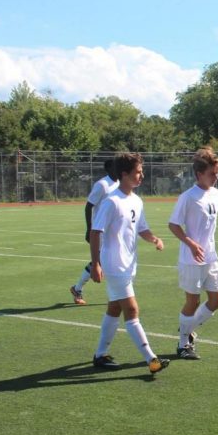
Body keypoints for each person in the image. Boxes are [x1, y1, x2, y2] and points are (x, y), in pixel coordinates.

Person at [89, 152, 169, 374]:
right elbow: (96, 232)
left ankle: (100, 355)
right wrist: (96, 264)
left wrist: (154, 238)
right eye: (137, 172)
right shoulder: (111, 201)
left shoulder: (136, 200)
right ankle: (151, 359)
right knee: (131, 309)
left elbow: (141, 228)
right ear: (124, 174)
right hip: (114, 265)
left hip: (129, 264)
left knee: (114, 308)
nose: (141, 176)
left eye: (142, 172)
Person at [167, 147, 218, 360]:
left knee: (217, 300)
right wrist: (190, 243)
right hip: (191, 259)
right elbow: (173, 225)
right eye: (212, 173)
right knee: (192, 301)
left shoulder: (217, 195)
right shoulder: (187, 197)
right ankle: (183, 343)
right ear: (199, 174)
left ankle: (187, 330)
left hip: (211, 256)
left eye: (217, 173)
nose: (216, 177)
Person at [69, 159, 117, 305]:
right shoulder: (102, 184)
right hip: (100, 230)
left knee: (108, 260)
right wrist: (89, 229)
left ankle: (77, 289)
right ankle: (78, 289)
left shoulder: (119, 184)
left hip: (112, 231)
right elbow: (88, 206)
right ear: (109, 168)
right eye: (116, 166)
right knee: (102, 260)